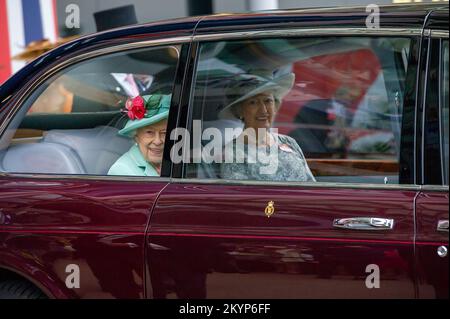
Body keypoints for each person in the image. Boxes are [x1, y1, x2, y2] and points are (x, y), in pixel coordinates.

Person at [219, 72, 316, 182]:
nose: (263, 110)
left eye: (267, 101)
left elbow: (312, 185)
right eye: (253, 102)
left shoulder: (289, 142)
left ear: (275, 106)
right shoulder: (233, 152)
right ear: (240, 110)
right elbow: (242, 196)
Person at [108, 94, 170, 176]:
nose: (157, 141)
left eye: (164, 133)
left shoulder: (182, 160)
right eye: (149, 132)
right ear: (136, 137)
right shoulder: (122, 170)